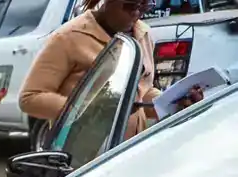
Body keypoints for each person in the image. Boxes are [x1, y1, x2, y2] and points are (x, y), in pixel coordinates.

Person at [19, 0, 201, 140]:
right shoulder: (68, 38)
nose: (137, 13)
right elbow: (30, 98)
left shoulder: (143, 34)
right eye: (130, 6)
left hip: (129, 149)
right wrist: (88, 111)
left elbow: (140, 92)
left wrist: (173, 101)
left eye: (145, 5)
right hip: (84, 154)